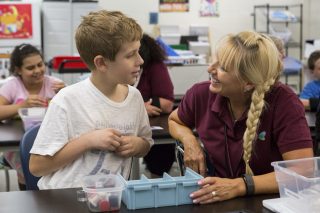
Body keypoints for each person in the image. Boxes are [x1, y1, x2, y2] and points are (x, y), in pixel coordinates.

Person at [168, 31, 313, 203]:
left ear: (248, 83)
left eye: (222, 67)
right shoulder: (200, 94)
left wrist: (240, 186)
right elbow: (174, 120)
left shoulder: (284, 102)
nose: (209, 69)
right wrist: (189, 140)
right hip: (217, 199)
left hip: (270, 203)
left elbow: (303, 170)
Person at [29, 10, 153, 189]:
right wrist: (88, 141)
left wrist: (137, 145)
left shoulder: (134, 97)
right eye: (130, 55)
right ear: (101, 63)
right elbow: (37, 166)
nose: (140, 60)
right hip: (65, 199)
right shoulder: (67, 100)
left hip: (108, 198)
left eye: (138, 52)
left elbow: (146, 143)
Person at [0, 43, 65, 190]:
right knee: (29, 177)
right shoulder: (13, 86)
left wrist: (65, 94)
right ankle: (26, 188)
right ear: (18, 70)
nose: (37, 71)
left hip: (50, 142)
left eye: (40, 65)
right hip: (19, 144)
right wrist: (21, 106)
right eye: (30, 68)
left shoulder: (54, 85)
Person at [136, 33, 175, 178]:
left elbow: (167, 104)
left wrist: (140, 106)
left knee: (160, 153)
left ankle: (155, 182)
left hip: (153, 124)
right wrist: (140, 106)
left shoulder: (155, 66)